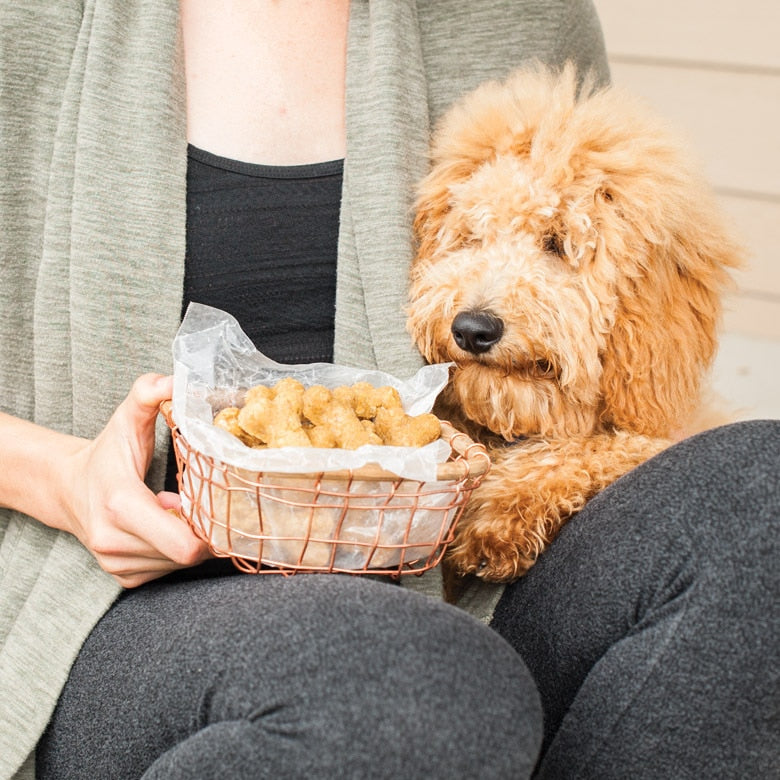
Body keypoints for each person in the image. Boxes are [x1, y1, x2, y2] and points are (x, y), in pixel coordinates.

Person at [0, 1, 776, 778]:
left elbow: (623, 328)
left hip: (460, 577)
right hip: (123, 606)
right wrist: (64, 480)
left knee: (758, 497)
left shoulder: (527, 16)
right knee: (411, 686)